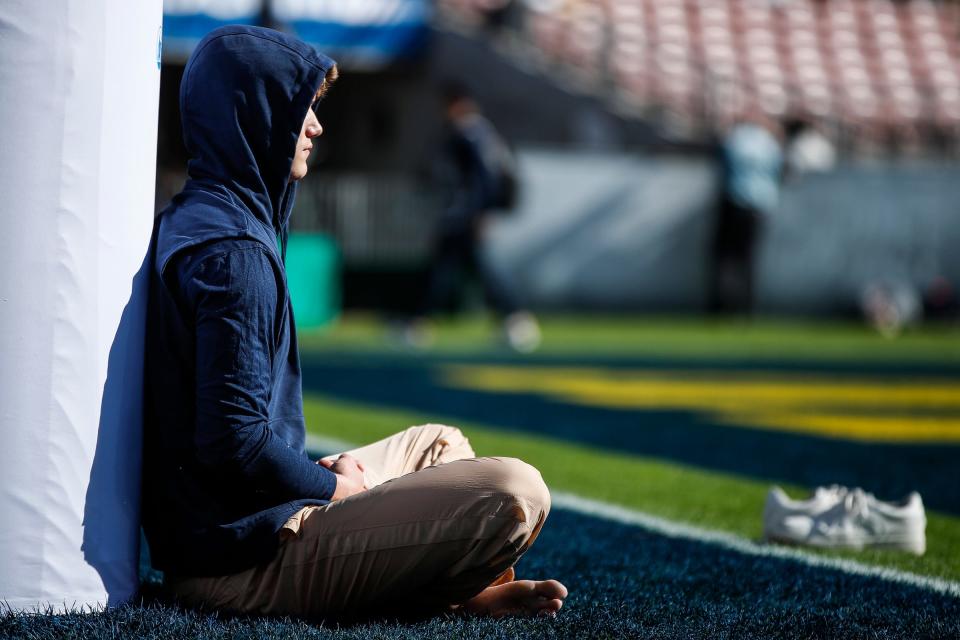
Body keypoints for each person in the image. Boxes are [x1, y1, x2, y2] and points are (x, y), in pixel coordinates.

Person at [142, 25, 566, 622]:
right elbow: (231, 442)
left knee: (439, 443)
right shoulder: (233, 254)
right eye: (301, 109)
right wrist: (333, 488)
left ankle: (466, 591)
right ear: (254, 113)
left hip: (238, 522)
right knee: (515, 492)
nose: (316, 126)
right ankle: (451, 594)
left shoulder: (202, 215)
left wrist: (311, 480)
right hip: (237, 563)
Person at [408, 83, 541, 352]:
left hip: (465, 215)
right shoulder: (480, 132)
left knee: (468, 269)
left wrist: (481, 213)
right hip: (464, 214)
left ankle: (516, 318)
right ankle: (513, 320)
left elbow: (484, 179)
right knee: (455, 268)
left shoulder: (470, 133)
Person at [708, 113, 784, 314]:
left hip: (735, 200)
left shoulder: (735, 139)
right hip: (760, 204)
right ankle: (747, 307)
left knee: (726, 257)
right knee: (749, 259)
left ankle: (723, 306)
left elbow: (722, 164)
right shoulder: (769, 144)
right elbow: (778, 172)